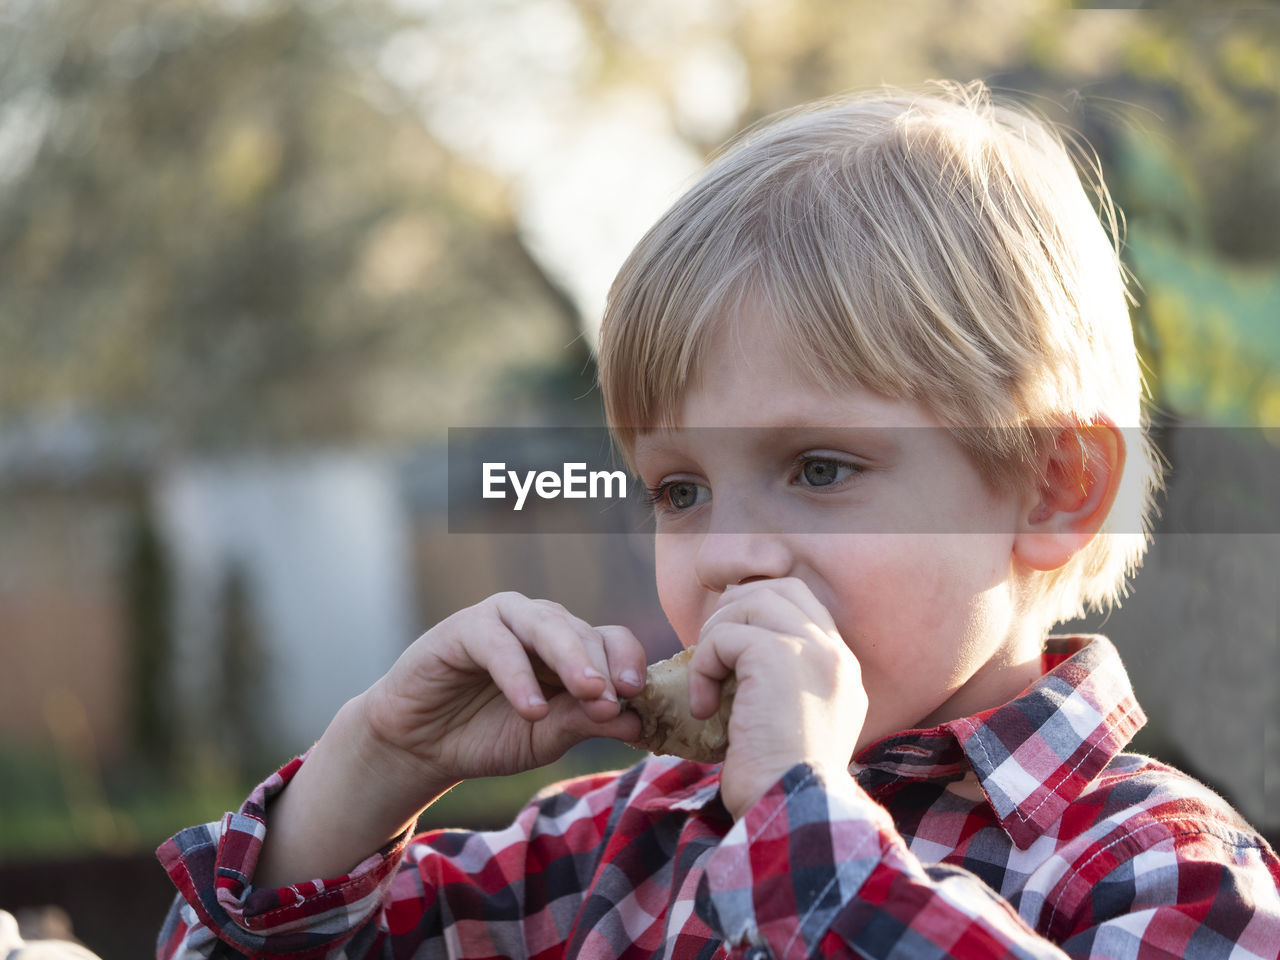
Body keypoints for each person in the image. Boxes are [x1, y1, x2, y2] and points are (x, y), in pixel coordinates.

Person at [156, 82, 1280, 958]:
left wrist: (803, 819)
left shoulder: (1153, 865)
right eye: (679, 491)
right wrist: (369, 765)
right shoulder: (618, 841)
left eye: (820, 467)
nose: (730, 554)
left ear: (1052, 488)